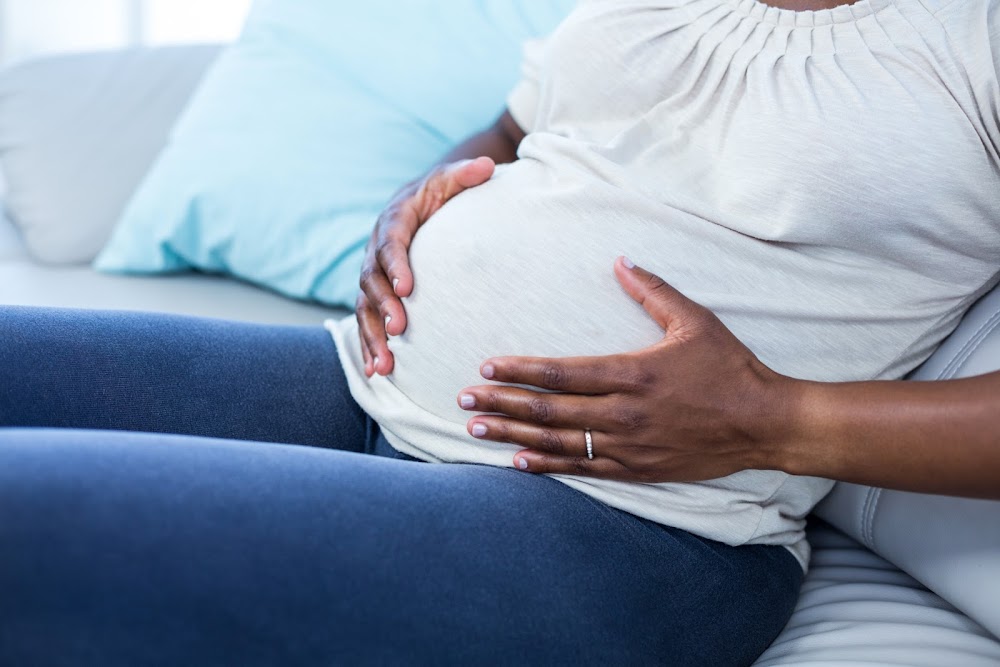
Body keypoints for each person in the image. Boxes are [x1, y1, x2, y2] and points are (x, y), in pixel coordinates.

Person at [2, 0, 998, 664]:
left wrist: (771, 418)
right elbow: (515, 133)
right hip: (364, 382)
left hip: (634, 531)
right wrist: (418, 198)